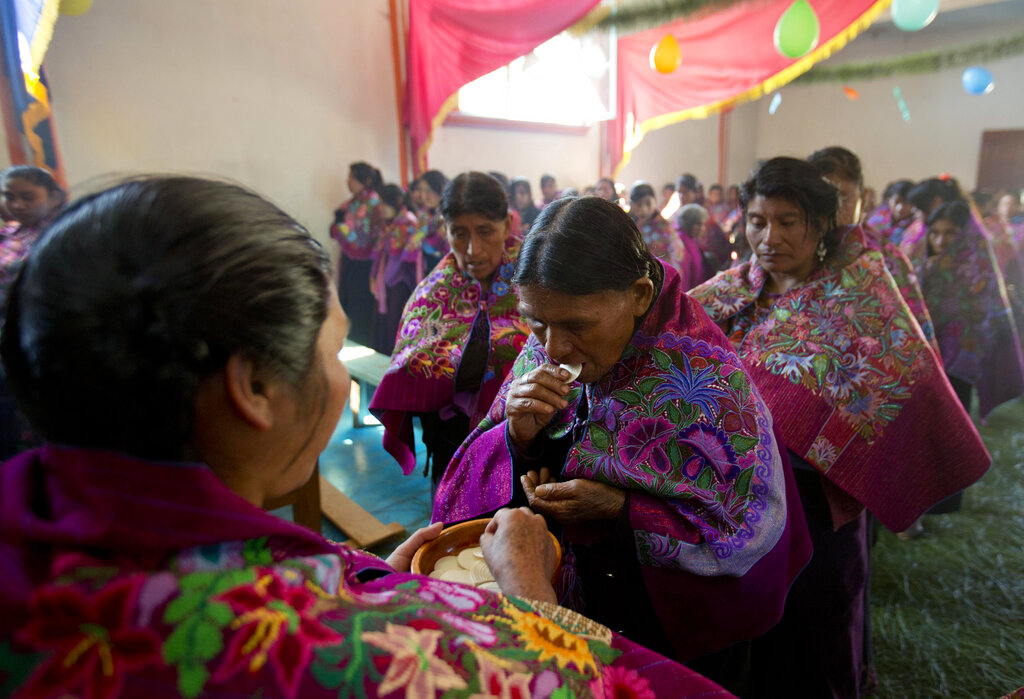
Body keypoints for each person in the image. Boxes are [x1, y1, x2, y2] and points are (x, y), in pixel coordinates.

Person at [0, 176, 731, 699]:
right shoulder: (358, 652)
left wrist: (352, 569)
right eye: (334, 346)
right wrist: (532, 598)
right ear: (252, 388)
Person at [433, 196, 812, 686]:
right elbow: (483, 463)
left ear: (637, 294)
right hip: (560, 598)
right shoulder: (552, 331)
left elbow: (742, 536)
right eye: (536, 322)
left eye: (576, 326)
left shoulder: (707, 380)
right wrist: (517, 436)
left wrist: (619, 509)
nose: (554, 349)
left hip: (661, 628)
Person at [689, 157, 991, 698]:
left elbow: (911, 378)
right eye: (758, 221)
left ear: (822, 225)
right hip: (734, 506)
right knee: (744, 645)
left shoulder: (860, 297)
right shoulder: (725, 296)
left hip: (819, 507)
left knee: (815, 643)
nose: (770, 236)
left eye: (788, 221)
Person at [370, 172, 530, 494]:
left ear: (508, 224)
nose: (472, 249)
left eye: (486, 232)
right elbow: (409, 363)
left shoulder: (534, 277)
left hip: (523, 449)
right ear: (445, 230)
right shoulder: (433, 291)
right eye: (459, 234)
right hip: (450, 443)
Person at [808, 147, 936, 348]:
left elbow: (911, 338)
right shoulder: (801, 251)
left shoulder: (887, 258)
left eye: (842, 198)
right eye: (819, 199)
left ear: (864, 197)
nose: (831, 209)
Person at [919, 200, 1024, 414]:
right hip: (928, 354)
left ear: (966, 235)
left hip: (963, 357)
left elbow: (984, 314)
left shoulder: (980, 271)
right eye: (934, 233)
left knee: (956, 412)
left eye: (950, 232)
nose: (940, 240)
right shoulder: (924, 267)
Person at [0, 166, 66, 460]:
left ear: (54, 197)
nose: (17, 205)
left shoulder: (64, 231)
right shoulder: (8, 232)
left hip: (42, 330)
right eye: (9, 197)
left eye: (28, 197)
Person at [330, 161, 383, 346]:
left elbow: (367, 235)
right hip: (350, 261)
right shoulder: (352, 203)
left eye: (352, 177)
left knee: (361, 308)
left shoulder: (373, 202)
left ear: (365, 180)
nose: (348, 181)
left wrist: (342, 228)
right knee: (348, 304)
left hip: (366, 263)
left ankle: (363, 347)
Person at [369, 183, 420, 355]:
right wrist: (374, 277)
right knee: (383, 323)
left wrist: (385, 279)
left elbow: (400, 257)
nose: (381, 208)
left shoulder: (408, 223)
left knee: (395, 324)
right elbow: (380, 254)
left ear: (397, 201)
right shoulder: (389, 225)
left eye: (384, 203)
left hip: (400, 281)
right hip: (387, 281)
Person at [628, 182, 698, 286]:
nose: (643, 209)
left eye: (648, 203)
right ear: (631, 205)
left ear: (655, 202)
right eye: (639, 204)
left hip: (661, 281)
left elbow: (677, 256)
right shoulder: (627, 227)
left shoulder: (665, 228)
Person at [405, 169, 449, 277]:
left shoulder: (449, 215)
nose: (425, 195)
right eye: (422, 190)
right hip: (427, 266)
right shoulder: (424, 215)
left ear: (441, 188)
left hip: (446, 270)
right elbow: (415, 241)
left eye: (429, 190)